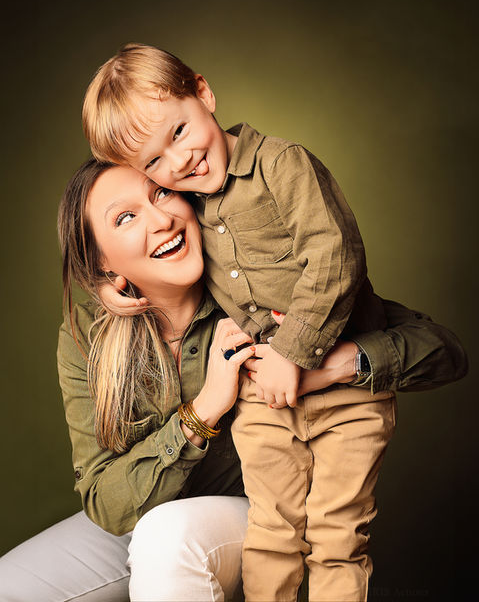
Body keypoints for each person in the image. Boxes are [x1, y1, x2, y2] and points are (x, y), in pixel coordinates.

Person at [80, 43, 468, 601]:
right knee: (271, 537)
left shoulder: (282, 166)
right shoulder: (195, 209)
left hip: (342, 399)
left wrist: (303, 356)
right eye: (156, 164)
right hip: (263, 404)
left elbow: (336, 257)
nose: (179, 162)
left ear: (203, 93)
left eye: (180, 132)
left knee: (336, 537)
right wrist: (109, 284)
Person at [0, 158, 467, 602]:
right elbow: (106, 503)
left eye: (162, 192)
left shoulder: (259, 290)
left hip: (263, 514)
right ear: (104, 264)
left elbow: (444, 350)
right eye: (126, 218)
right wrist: (204, 410)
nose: (161, 219)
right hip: (140, 515)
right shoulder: (88, 334)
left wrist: (329, 365)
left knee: (169, 538)